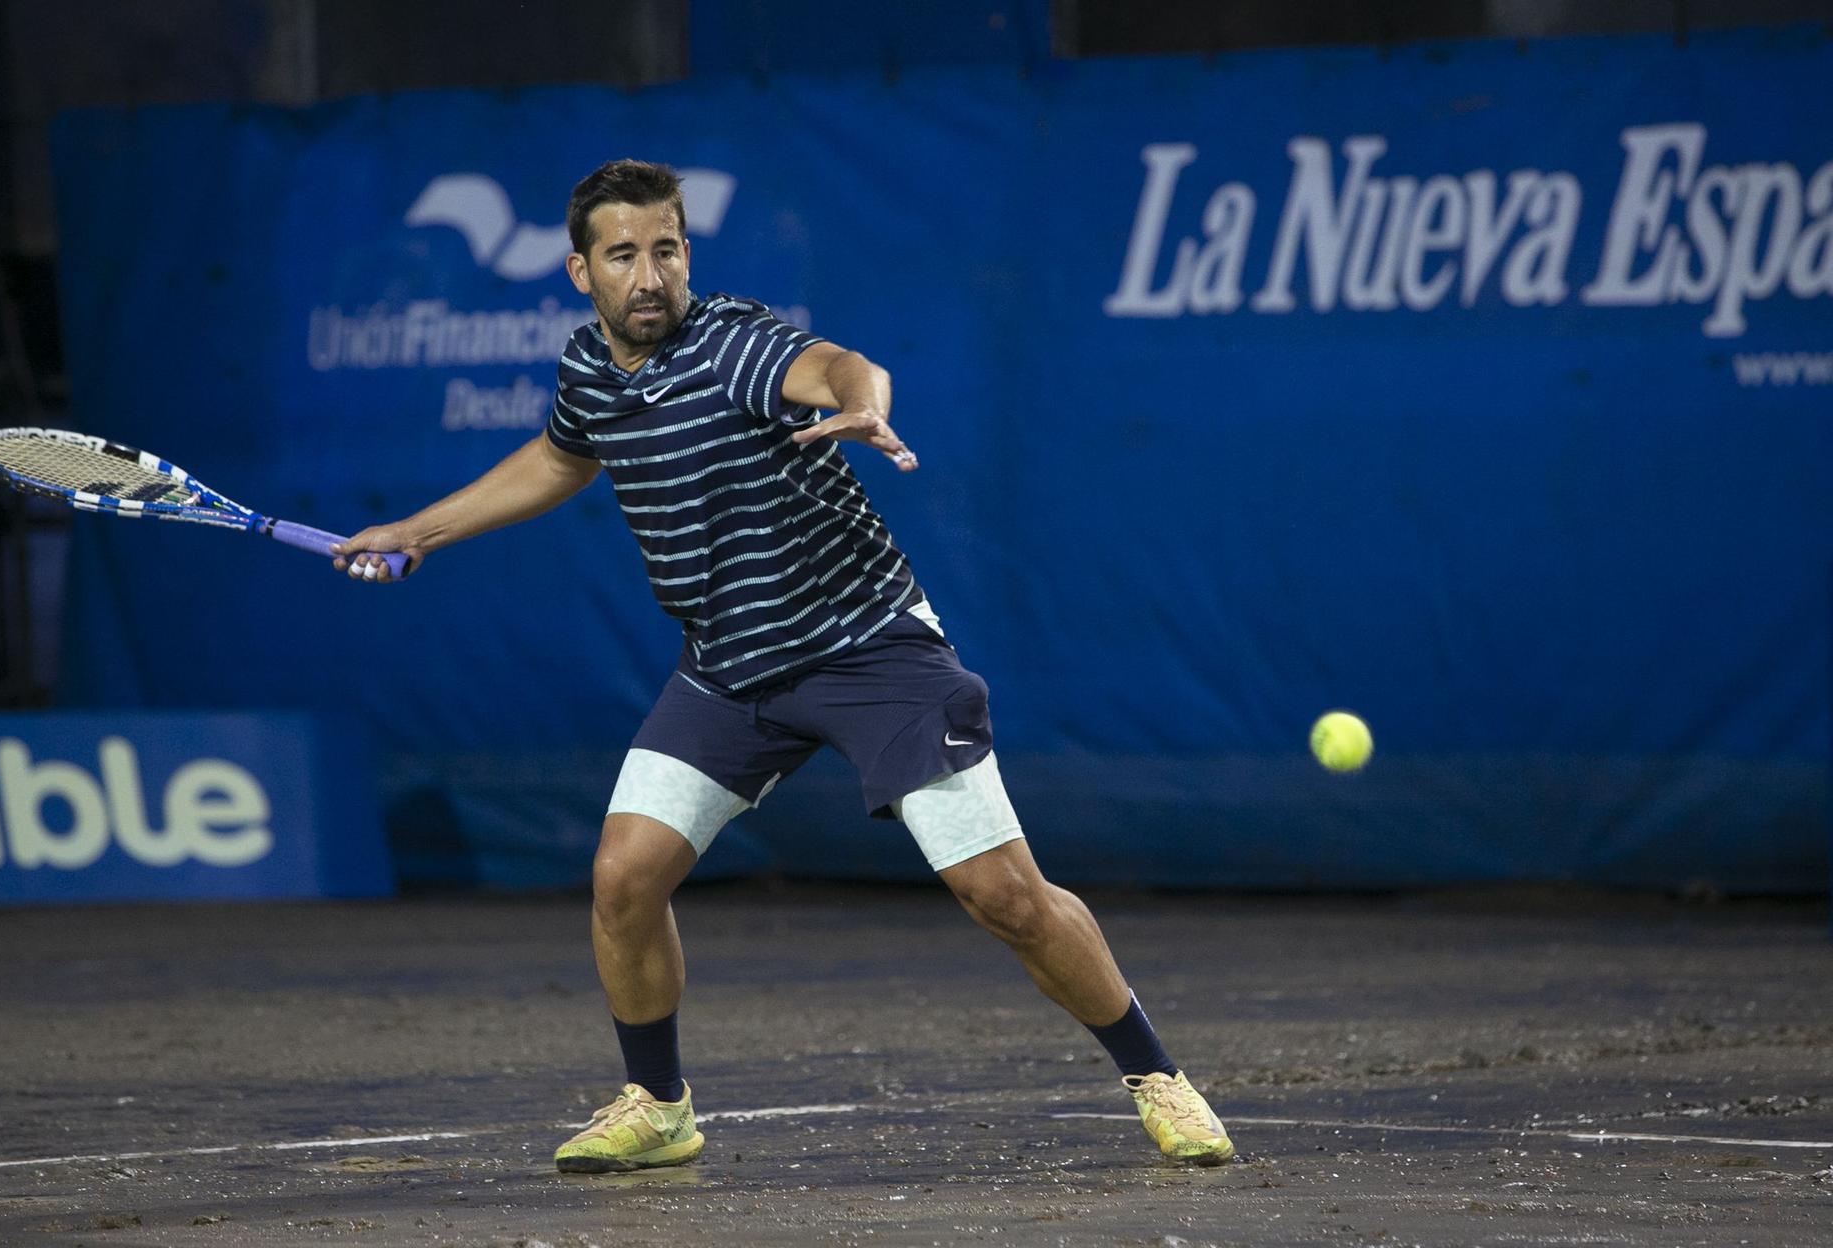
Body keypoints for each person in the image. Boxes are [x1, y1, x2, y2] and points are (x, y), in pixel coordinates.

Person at [334, 159, 1234, 1173]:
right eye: (623, 255)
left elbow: (838, 365)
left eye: (665, 251)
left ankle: (1156, 1074)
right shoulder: (588, 369)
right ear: (580, 271)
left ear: (687, 254)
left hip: (867, 650)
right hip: (728, 668)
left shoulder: (731, 343)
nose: (648, 276)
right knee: (623, 879)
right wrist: (418, 531)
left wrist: (864, 401)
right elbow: (558, 457)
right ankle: (659, 1104)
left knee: (1004, 897)